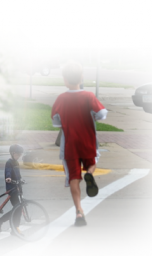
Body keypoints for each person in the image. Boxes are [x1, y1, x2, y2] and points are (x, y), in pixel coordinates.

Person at [52, 61, 107, 227]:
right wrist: (94, 116)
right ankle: (89, 173)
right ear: (82, 77)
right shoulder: (89, 96)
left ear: (64, 80)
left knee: (74, 177)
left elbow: (55, 121)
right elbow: (102, 113)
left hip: (70, 146)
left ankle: (78, 211)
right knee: (93, 163)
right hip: (88, 142)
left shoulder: (61, 99)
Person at [0, 144, 25, 232]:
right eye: (18, 154)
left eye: (20, 154)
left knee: (18, 208)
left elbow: (18, 174)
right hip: (12, 189)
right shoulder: (9, 162)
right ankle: (11, 226)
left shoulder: (16, 162)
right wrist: (8, 178)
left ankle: (14, 227)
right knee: (17, 208)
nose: (19, 156)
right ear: (13, 153)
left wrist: (21, 180)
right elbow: (8, 171)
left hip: (18, 188)